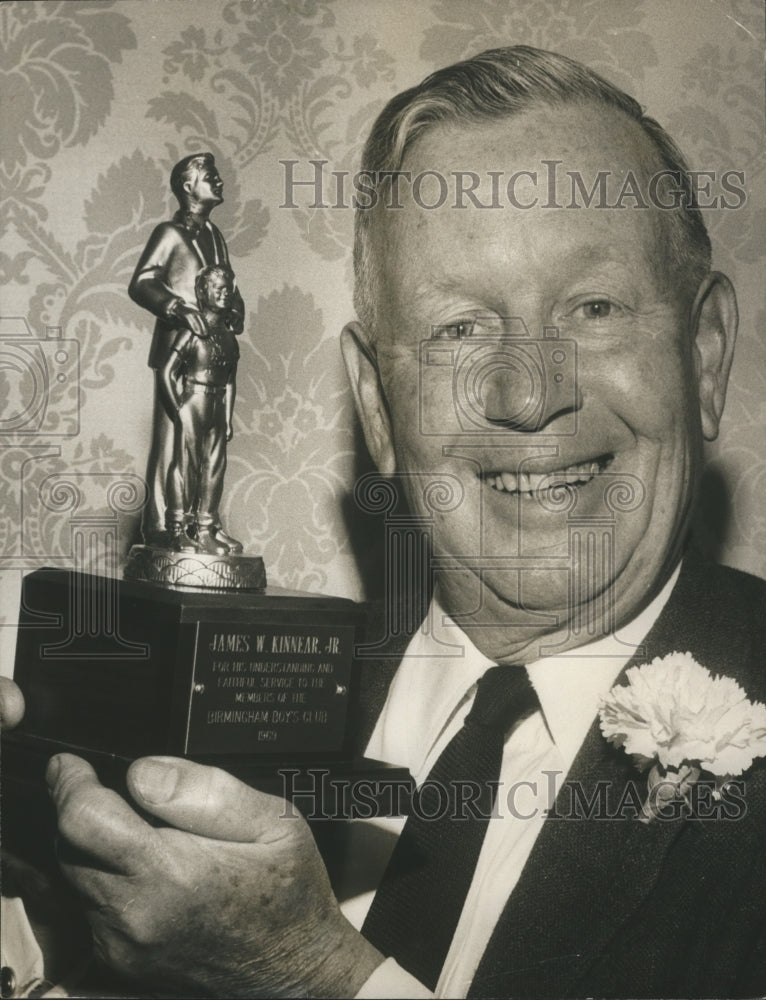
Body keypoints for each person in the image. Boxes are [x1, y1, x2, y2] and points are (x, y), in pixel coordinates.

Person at [4, 45, 766, 998]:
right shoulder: (244, 692)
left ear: (704, 355)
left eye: (595, 307)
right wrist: (34, 883)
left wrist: (309, 975)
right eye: (459, 328)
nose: (529, 397)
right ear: (374, 403)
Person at [128, 151, 245, 552]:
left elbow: (226, 281)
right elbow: (141, 282)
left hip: (212, 352)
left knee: (211, 448)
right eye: (210, 175)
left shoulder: (215, 235)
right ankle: (162, 527)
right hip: (176, 353)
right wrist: (177, 308)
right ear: (187, 186)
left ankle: (202, 525)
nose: (219, 180)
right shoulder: (169, 233)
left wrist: (236, 309)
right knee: (171, 443)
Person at [161, 264, 240, 555]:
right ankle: (177, 529)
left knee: (215, 467)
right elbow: (167, 372)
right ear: (202, 292)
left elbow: (230, 381)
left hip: (217, 405)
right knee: (186, 465)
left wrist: (228, 418)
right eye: (217, 288)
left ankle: (206, 529)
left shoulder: (229, 336)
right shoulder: (193, 330)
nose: (224, 294)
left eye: (227, 289)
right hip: (193, 401)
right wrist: (178, 408)